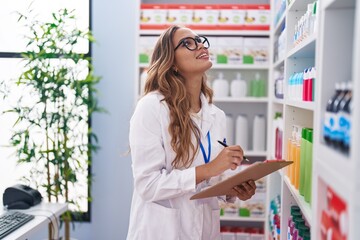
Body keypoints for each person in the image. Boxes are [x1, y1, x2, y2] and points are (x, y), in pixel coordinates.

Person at [127, 25, 257, 240]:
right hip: (161, 230)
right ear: (172, 63)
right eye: (187, 43)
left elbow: (209, 180)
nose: (199, 45)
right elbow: (147, 185)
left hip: (204, 229)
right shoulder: (151, 108)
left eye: (199, 40)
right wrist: (208, 169)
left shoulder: (216, 115)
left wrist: (231, 189)